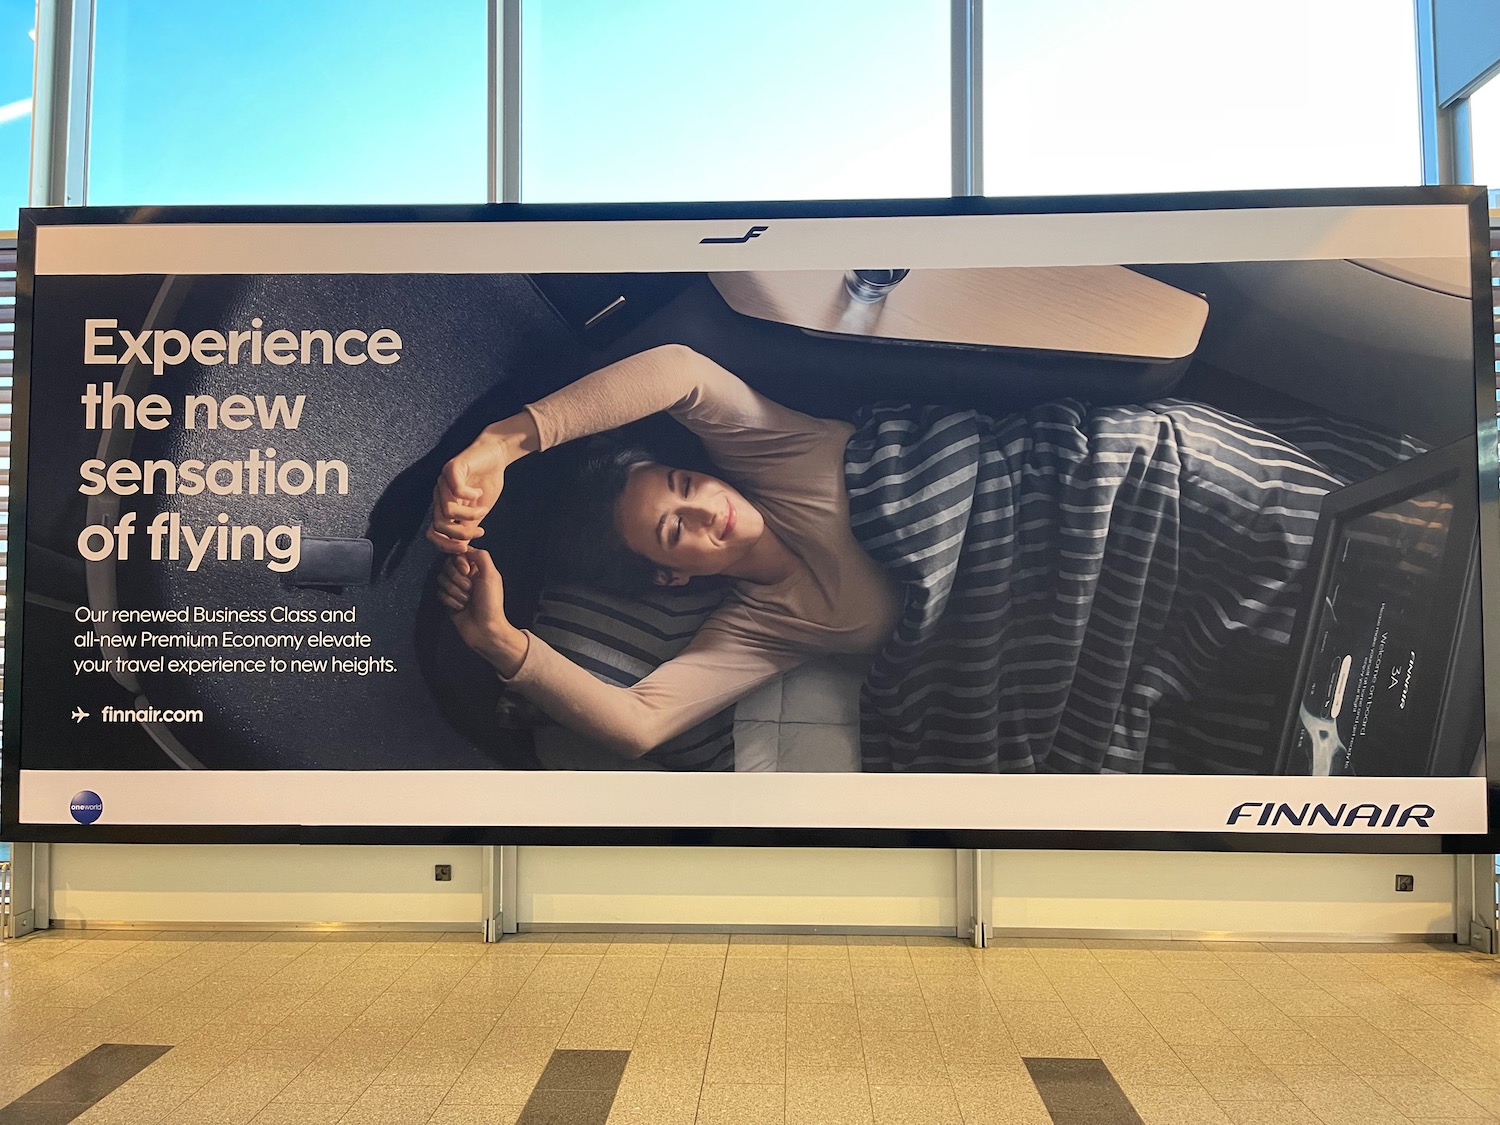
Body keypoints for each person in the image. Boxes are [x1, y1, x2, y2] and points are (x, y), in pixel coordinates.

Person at [428, 344, 899, 760]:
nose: (707, 510)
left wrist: (503, 444)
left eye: (686, 485)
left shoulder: (775, 455)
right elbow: (640, 725)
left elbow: (682, 371)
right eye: (675, 530)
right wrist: (497, 639)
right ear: (670, 576)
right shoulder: (762, 627)